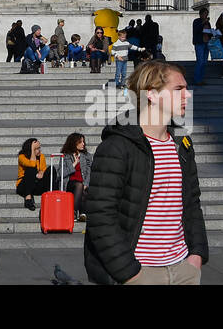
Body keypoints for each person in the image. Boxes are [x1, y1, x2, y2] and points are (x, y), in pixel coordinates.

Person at [84, 60, 208, 285]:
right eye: (178, 89)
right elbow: (100, 216)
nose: (187, 96)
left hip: (183, 268)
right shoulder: (117, 146)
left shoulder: (182, 144)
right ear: (151, 94)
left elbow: (192, 204)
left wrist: (196, 256)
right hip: (139, 272)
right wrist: (130, 274)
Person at [60, 132, 93, 222]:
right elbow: (61, 173)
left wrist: (86, 183)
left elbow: (89, 172)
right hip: (69, 183)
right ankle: (76, 213)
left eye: (83, 142)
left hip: (83, 183)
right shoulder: (65, 156)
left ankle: (81, 214)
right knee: (79, 185)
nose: (83, 144)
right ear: (74, 143)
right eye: (80, 142)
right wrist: (74, 164)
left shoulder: (87, 156)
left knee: (83, 188)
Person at [15, 137, 48, 210]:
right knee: (31, 169)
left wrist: (42, 172)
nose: (39, 150)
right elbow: (32, 164)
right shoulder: (22, 157)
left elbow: (44, 169)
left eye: (39, 148)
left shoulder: (41, 156)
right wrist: (32, 148)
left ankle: (53, 195)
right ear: (30, 149)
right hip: (23, 185)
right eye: (37, 149)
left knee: (51, 170)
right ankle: (28, 197)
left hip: (36, 184)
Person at [191, 5, 211, 86]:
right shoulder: (196, 21)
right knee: (200, 61)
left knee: (204, 62)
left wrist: (213, 32)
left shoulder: (208, 23)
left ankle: (201, 79)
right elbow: (197, 30)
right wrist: (203, 22)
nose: (206, 15)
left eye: (207, 14)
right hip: (199, 43)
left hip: (206, 43)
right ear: (200, 14)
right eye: (205, 14)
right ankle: (197, 79)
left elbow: (208, 32)